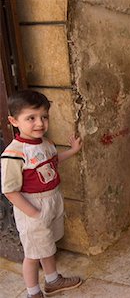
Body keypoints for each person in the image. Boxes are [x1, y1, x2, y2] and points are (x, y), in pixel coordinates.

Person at [1, 90, 82, 298]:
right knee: (32, 254)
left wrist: (72, 151)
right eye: (31, 118)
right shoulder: (14, 153)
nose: (40, 123)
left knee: (47, 246)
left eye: (44, 117)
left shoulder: (45, 143)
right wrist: (34, 213)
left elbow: (53, 161)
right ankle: (33, 292)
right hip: (32, 207)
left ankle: (53, 280)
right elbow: (10, 190)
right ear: (14, 120)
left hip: (52, 200)